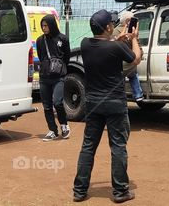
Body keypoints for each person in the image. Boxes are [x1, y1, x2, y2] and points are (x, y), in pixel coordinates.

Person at [73, 10, 139, 203]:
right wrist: (133, 38)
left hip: (93, 104)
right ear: (108, 27)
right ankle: (120, 191)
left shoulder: (86, 44)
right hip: (115, 104)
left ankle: (79, 190)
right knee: (118, 146)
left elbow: (104, 46)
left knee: (88, 147)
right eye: (112, 23)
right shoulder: (117, 47)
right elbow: (135, 59)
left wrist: (117, 39)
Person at [37, 14, 71, 141]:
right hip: (44, 77)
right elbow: (41, 57)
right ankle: (52, 130)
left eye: (46, 26)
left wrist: (60, 68)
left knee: (57, 102)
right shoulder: (40, 41)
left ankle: (64, 126)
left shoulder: (63, 39)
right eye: (42, 26)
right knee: (46, 105)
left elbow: (66, 57)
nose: (44, 28)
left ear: (52, 25)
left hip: (59, 77)